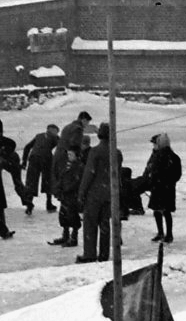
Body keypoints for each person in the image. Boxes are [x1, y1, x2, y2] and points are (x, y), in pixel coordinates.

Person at [76, 123, 119, 264]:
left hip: (94, 193)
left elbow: (89, 174)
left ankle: (90, 254)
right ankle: (104, 254)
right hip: (110, 193)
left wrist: (81, 193)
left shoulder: (95, 152)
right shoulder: (116, 153)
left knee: (90, 224)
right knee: (105, 224)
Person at [48, 111, 92, 249]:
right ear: (83, 119)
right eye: (87, 122)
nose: (86, 125)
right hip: (67, 167)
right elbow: (74, 144)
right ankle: (68, 235)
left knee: (67, 208)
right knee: (68, 209)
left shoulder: (68, 127)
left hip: (60, 163)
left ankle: (69, 235)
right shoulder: (78, 129)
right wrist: (76, 155)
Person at [141, 132, 185, 244]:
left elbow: (153, 171)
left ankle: (161, 232)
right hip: (169, 187)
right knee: (167, 211)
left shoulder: (158, 157)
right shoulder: (174, 157)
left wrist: (152, 182)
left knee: (157, 211)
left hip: (158, 188)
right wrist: (171, 181)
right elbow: (177, 174)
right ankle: (169, 234)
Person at [21, 123, 59, 212]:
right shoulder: (55, 137)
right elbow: (62, 148)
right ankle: (49, 203)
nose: (57, 133)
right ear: (52, 130)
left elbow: (27, 147)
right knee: (48, 181)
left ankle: (29, 204)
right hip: (46, 159)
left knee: (31, 182)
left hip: (33, 158)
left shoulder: (38, 136)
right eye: (57, 131)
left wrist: (24, 161)